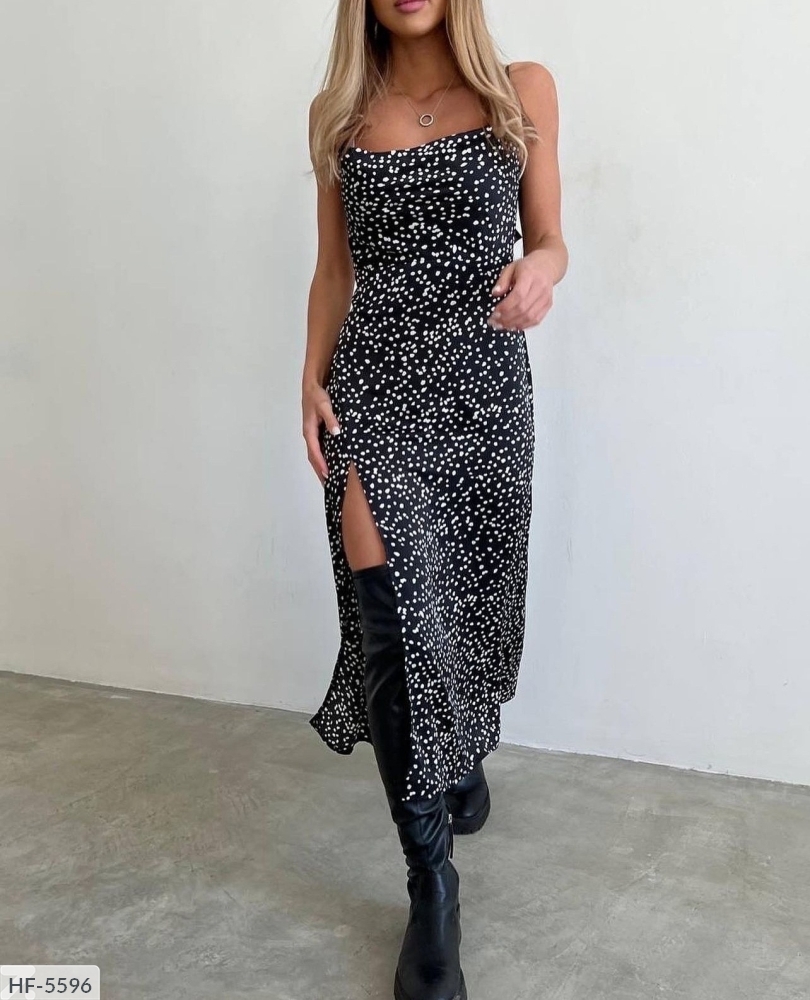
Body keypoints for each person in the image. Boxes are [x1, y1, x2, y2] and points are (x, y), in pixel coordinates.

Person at [301, 1, 567, 997]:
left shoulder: (522, 91)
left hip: (482, 387)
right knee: (390, 613)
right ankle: (431, 885)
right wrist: (308, 375)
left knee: (466, 603)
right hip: (373, 383)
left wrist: (540, 271)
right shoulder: (337, 112)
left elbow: (552, 238)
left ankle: (458, 750)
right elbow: (335, 268)